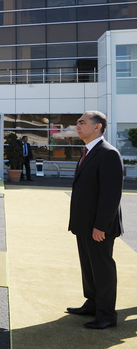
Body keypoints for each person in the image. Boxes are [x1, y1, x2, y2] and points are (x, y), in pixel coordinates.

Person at [66, 111, 124, 329]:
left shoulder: (108, 153)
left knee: (102, 269)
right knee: (88, 267)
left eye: (82, 122)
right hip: (84, 224)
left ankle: (107, 314)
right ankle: (92, 304)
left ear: (98, 127)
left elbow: (111, 195)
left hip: (99, 227)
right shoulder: (88, 151)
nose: (77, 126)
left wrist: (101, 225)